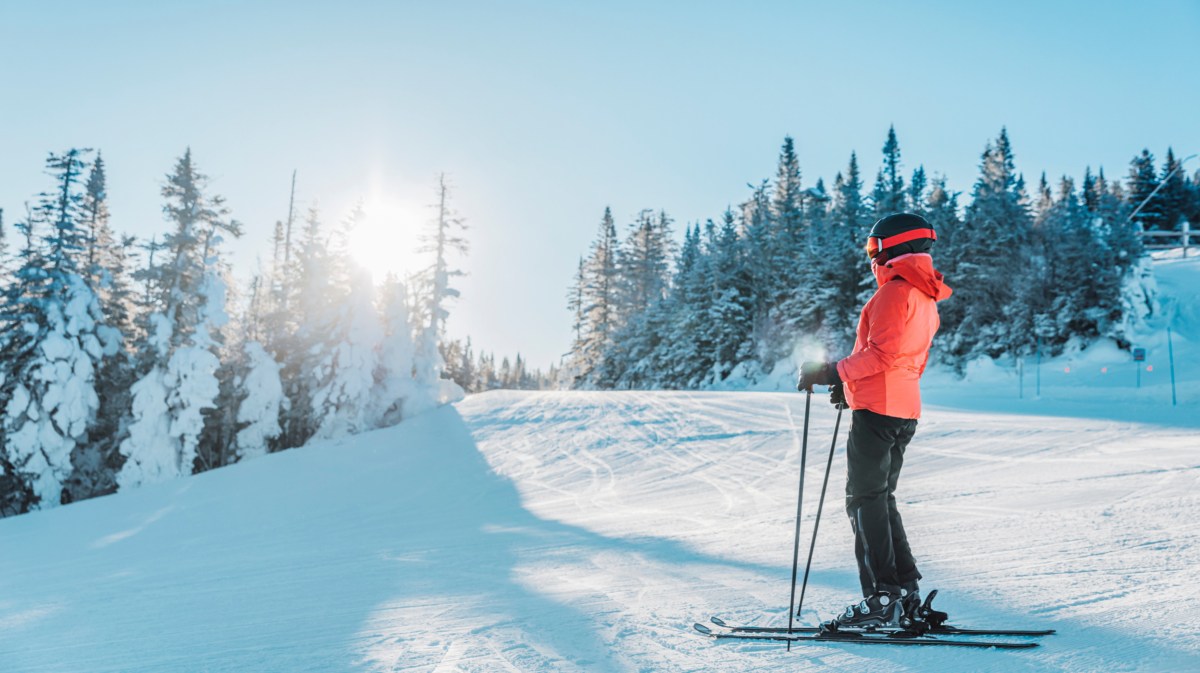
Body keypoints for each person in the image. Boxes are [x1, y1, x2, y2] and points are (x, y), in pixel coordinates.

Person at [796, 212, 952, 630]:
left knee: (863, 501)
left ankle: (882, 598)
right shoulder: (925, 297)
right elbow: (905, 363)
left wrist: (831, 372)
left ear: (896, 247)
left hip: (879, 413)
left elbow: (881, 355)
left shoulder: (893, 294)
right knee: (881, 499)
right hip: (903, 410)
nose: (871, 256)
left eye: (873, 247)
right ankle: (906, 594)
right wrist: (849, 387)